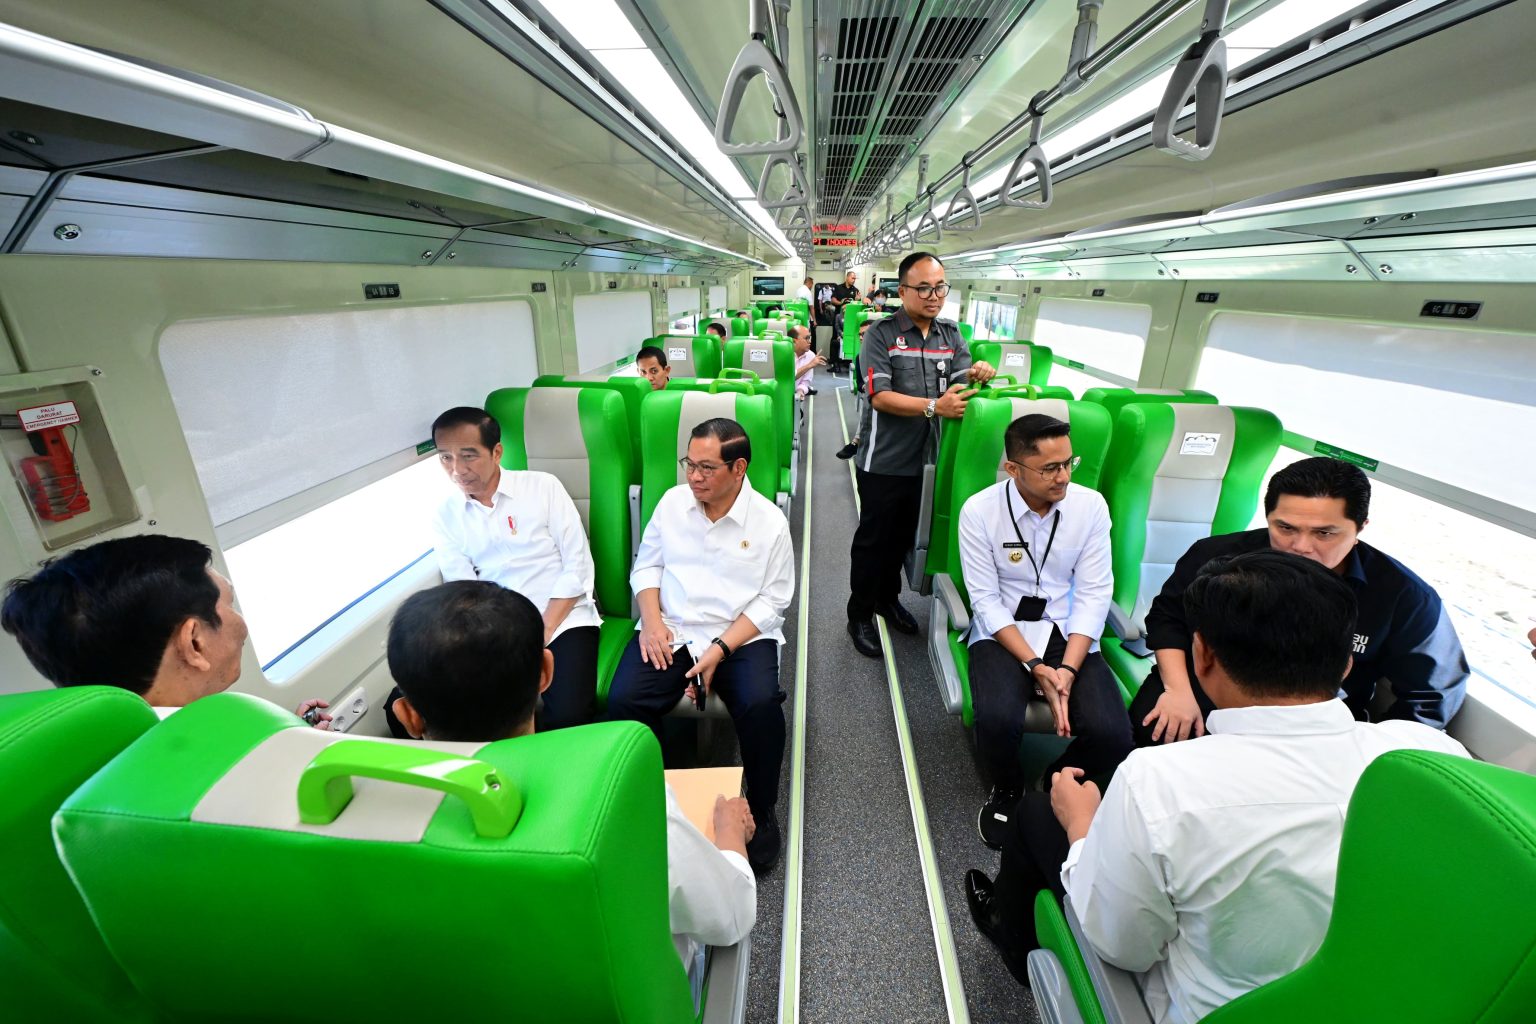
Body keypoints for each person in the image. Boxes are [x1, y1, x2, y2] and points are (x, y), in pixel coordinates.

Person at [964, 550, 1469, 1020]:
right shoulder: (1429, 756)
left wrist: (1081, 827)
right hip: (1371, 1003)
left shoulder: (1158, 781)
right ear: (1345, 665)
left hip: (1200, 1008)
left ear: (1201, 657)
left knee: (1038, 812)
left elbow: (1119, 942)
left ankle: (1009, 935)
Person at [386, 580, 755, 973]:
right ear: (546, 672)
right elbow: (730, 915)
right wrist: (729, 831)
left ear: (407, 716)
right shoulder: (622, 800)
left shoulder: (376, 805)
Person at [1130, 456, 1468, 746]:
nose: (1301, 547)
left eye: (1325, 533)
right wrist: (1177, 690)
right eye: (1286, 528)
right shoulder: (1216, 557)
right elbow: (1167, 620)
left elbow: (1429, 696)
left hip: (1318, 726)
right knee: (1145, 739)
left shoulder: (1403, 596)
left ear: (1360, 527)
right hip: (1200, 693)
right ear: (1268, 517)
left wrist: (1373, 755)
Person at [605, 418, 794, 874]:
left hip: (739, 634)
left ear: (739, 468)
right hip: (672, 626)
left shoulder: (768, 522)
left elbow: (773, 599)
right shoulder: (672, 504)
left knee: (760, 704)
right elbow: (646, 568)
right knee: (624, 700)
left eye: (707, 468)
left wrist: (719, 651)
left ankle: (762, 809)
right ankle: (655, 799)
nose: (693, 477)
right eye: (689, 463)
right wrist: (650, 623)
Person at [959, 414, 1132, 849]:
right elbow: (984, 600)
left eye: (1069, 462)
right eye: (1051, 468)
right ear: (1013, 469)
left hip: (1067, 627)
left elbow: (1094, 593)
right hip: (1005, 628)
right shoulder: (979, 512)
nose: (1064, 476)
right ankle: (1008, 785)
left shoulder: (1090, 506)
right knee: (997, 720)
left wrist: (1068, 670)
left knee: (1114, 735)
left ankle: (1056, 783)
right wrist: (1035, 665)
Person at [393, 405, 599, 735]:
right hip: (493, 627)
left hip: (563, 619)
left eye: (469, 455)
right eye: (446, 457)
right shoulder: (446, 514)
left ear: (497, 451)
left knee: (569, 716)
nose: (457, 469)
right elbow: (463, 589)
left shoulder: (542, 487)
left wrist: (540, 630)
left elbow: (577, 566)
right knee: (423, 702)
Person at [0, 534, 330, 725]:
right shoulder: (246, 751)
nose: (240, 624)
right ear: (194, 643)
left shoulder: (100, 750)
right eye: (228, 605)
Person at [846, 251, 995, 658]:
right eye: (924, 288)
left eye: (940, 287)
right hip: (884, 461)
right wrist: (934, 406)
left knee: (903, 539)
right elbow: (879, 396)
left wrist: (980, 373)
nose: (934, 296)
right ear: (903, 289)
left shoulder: (952, 336)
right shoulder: (880, 334)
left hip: (930, 461)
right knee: (873, 541)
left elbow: (962, 391)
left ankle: (887, 599)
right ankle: (858, 613)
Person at [834, 317, 873, 461]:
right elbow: (861, 382)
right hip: (873, 394)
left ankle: (856, 442)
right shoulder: (860, 357)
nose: (862, 338)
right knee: (872, 400)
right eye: (860, 334)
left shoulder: (891, 354)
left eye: (866, 334)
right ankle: (857, 441)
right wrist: (867, 387)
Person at [790, 323, 825, 399]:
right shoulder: (784, 355)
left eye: (810, 338)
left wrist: (800, 391)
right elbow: (789, 377)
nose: (809, 341)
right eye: (806, 338)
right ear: (794, 341)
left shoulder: (810, 355)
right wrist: (810, 365)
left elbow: (805, 381)